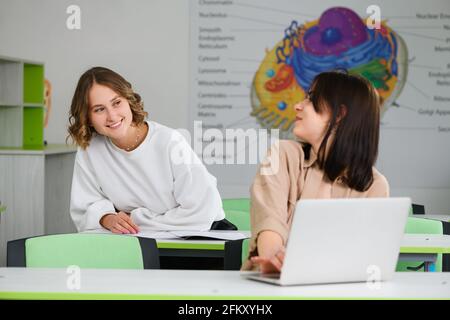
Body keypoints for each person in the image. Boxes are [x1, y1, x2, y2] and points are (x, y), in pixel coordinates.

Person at [242, 71, 389, 273]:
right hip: (274, 286)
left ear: (339, 114)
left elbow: (366, 258)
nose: (298, 105)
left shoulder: (375, 186)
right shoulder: (282, 155)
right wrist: (275, 260)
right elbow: (270, 227)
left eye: (311, 98)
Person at [68, 67, 226, 233]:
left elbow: (202, 210)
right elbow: (84, 207)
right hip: (138, 240)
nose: (112, 116)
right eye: (99, 109)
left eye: (117, 103)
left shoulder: (169, 142)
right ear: (88, 118)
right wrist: (106, 218)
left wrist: (135, 220)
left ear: (128, 100)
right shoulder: (90, 150)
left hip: (204, 236)